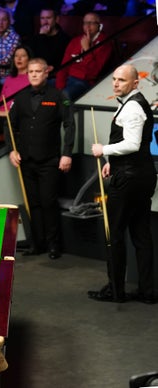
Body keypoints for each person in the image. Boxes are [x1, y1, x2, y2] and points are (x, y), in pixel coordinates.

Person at [89, 64, 157, 304]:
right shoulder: (134, 104)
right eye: (114, 79)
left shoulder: (133, 108)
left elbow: (132, 144)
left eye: (122, 80)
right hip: (140, 175)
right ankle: (147, 292)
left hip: (128, 180)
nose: (116, 84)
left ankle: (116, 291)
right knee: (141, 234)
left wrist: (103, 150)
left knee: (114, 234)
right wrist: (112, 162)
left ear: (135, 83)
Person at [7, 58, 75, 260]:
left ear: (46, 73)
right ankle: (37, 244)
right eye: (31, 71)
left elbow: (69, 125)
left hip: (49, 160)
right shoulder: (20, 98)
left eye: (38, 71)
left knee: (48, 202)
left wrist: (67, 153)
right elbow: (9, 125)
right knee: (33, 204)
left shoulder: (58, 96)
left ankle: (54, 245)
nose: (34, 75)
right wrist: (12, 150)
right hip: (26, 160)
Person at [55, 12, 113, 100]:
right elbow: (64, 66)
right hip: (68, 78)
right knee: (41, 87)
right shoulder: (75, 41)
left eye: (91, 23)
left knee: (65, 95)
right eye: (85, 23)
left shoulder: (105, 44)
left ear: (99, 26)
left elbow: (94, 73)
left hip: (85, 82)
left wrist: (87, 49)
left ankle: (63, 113)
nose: (88, 26)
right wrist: (59, 87)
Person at [0, 44, 32, 148]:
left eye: (23, 56)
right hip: (1, 114)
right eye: (16, 56)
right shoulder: (9, 79)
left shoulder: (32, 78)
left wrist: (5, 113)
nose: (19, 58)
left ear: (29, 59)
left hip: (14, 117)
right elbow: (0, 102)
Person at [28, 7, 70, 82]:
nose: (45, 22)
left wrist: (42, 37)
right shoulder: (36, 37)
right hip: (34, 74)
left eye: (48, 18)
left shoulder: (64, 39)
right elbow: (29, 56)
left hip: (52, 77)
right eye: (42, 18)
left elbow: (48, 59)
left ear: (56, 19)